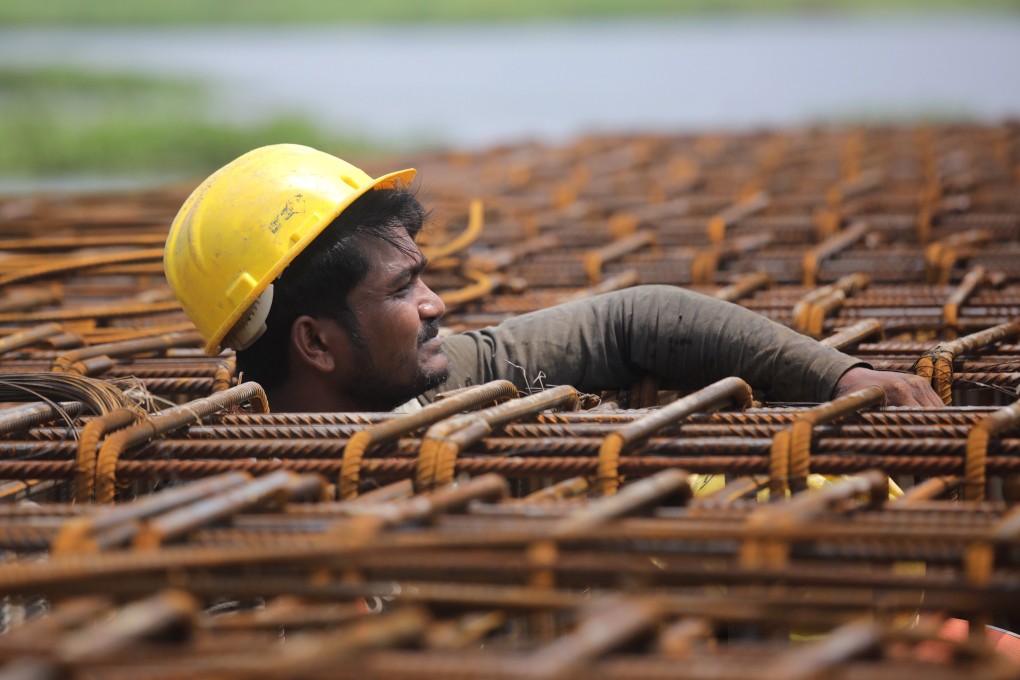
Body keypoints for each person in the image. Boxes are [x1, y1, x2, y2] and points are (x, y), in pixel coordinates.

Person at [164, 144, 942, 413]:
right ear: (315, 343)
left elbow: (630, 321)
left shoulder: (418, 380)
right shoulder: (223, 497)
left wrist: (838, 374)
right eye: (402, 291)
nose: (437, 306)